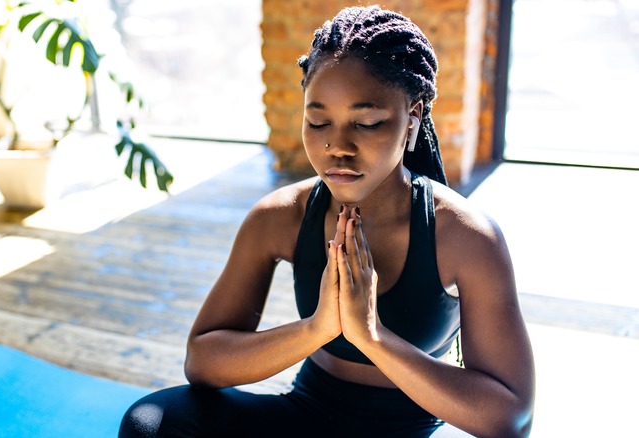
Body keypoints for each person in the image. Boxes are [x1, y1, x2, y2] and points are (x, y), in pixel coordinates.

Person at [119, 5, 534, 437]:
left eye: (367, 122)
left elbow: (511, 418)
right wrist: (317, 328)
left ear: (412, 118)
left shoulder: (465, 236)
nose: (337, 146)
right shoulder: (282, 216)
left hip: (407, 429)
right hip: (307, 414)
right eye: (318, 121)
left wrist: (372, 336)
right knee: (150, 423)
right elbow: (202, 362)